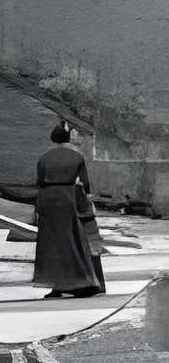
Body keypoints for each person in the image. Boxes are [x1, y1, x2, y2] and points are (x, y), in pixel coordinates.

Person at [30, 120, 107, 299]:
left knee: (52, 245)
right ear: (69, 138)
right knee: (73, 242)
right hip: (68, 199)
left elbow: (39, 183)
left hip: (47, 200)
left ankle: (57, 286)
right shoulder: (77, 157)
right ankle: (81, 283)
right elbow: (85, 185)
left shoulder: (44, 158)